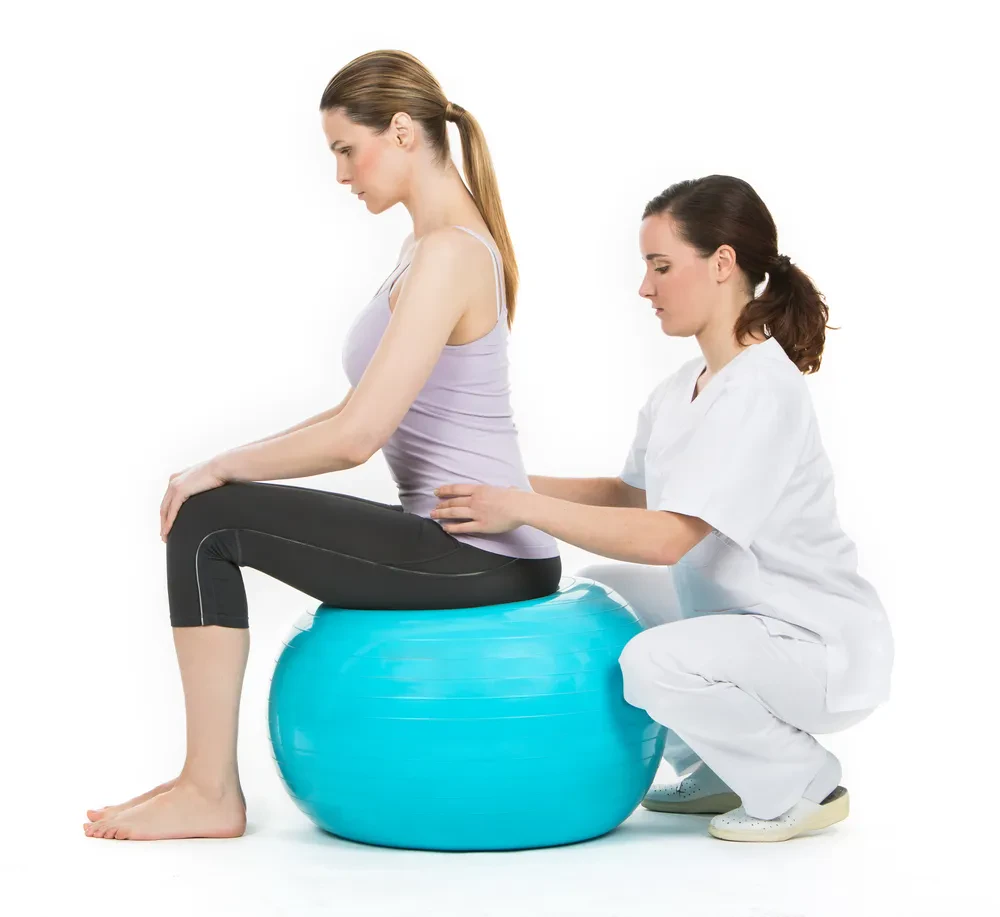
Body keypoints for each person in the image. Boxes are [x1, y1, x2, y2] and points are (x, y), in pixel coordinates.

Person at [83, 50, 560, 842]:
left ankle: (209, 791)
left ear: (401, 132)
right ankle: (198, 779)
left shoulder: (451, 253)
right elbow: (353, 410)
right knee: (210, 503)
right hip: (468, 542)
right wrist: (218, 463)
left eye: (346, 149)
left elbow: (357, 438)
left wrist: (217, 470)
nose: (340, 174)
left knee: (207, 522)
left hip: (482, 551)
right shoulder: (428, 247)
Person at [431, 175, 894, 843]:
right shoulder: (684, 388)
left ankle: (801, 782)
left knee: (653, 660)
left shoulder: (761, 390)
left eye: (661, 266)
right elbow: (633, 497)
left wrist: (520, 507)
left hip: (814, 646)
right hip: (751, 622)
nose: (644, 288)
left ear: (723, 263)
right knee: (605, 593)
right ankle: (722, 765)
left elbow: (666, 538)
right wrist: (505, 481)